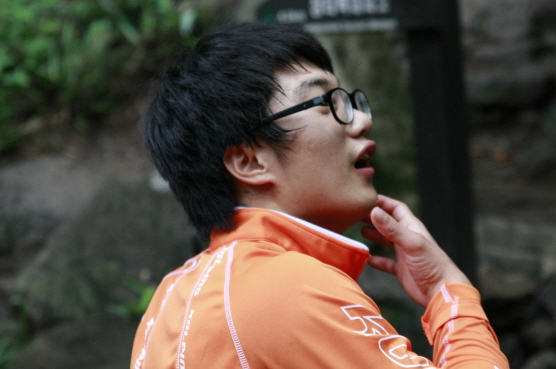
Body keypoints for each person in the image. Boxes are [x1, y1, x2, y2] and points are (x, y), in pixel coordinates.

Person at [130, 22, 509, 369]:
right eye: (325, 103)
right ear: (250, 161)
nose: (363, 121)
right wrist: (447, 292)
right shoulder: (286, 289)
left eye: (348, 101)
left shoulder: (170, 298)